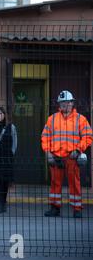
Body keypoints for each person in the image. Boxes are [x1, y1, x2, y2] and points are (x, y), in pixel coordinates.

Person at [41, 90, 92, 218]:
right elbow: (45, 137)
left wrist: (78, 150)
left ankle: (77, 209)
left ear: (72, 103)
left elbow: (88, 136)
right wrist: (48, 153)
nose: (64, 105)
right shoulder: (52, 119)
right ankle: (55, 208)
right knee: (55, 183)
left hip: (72, 156)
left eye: (67, 102)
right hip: (56, 156)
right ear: (59, 104)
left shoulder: (81, 119)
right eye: (62, 102)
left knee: (74, 183)